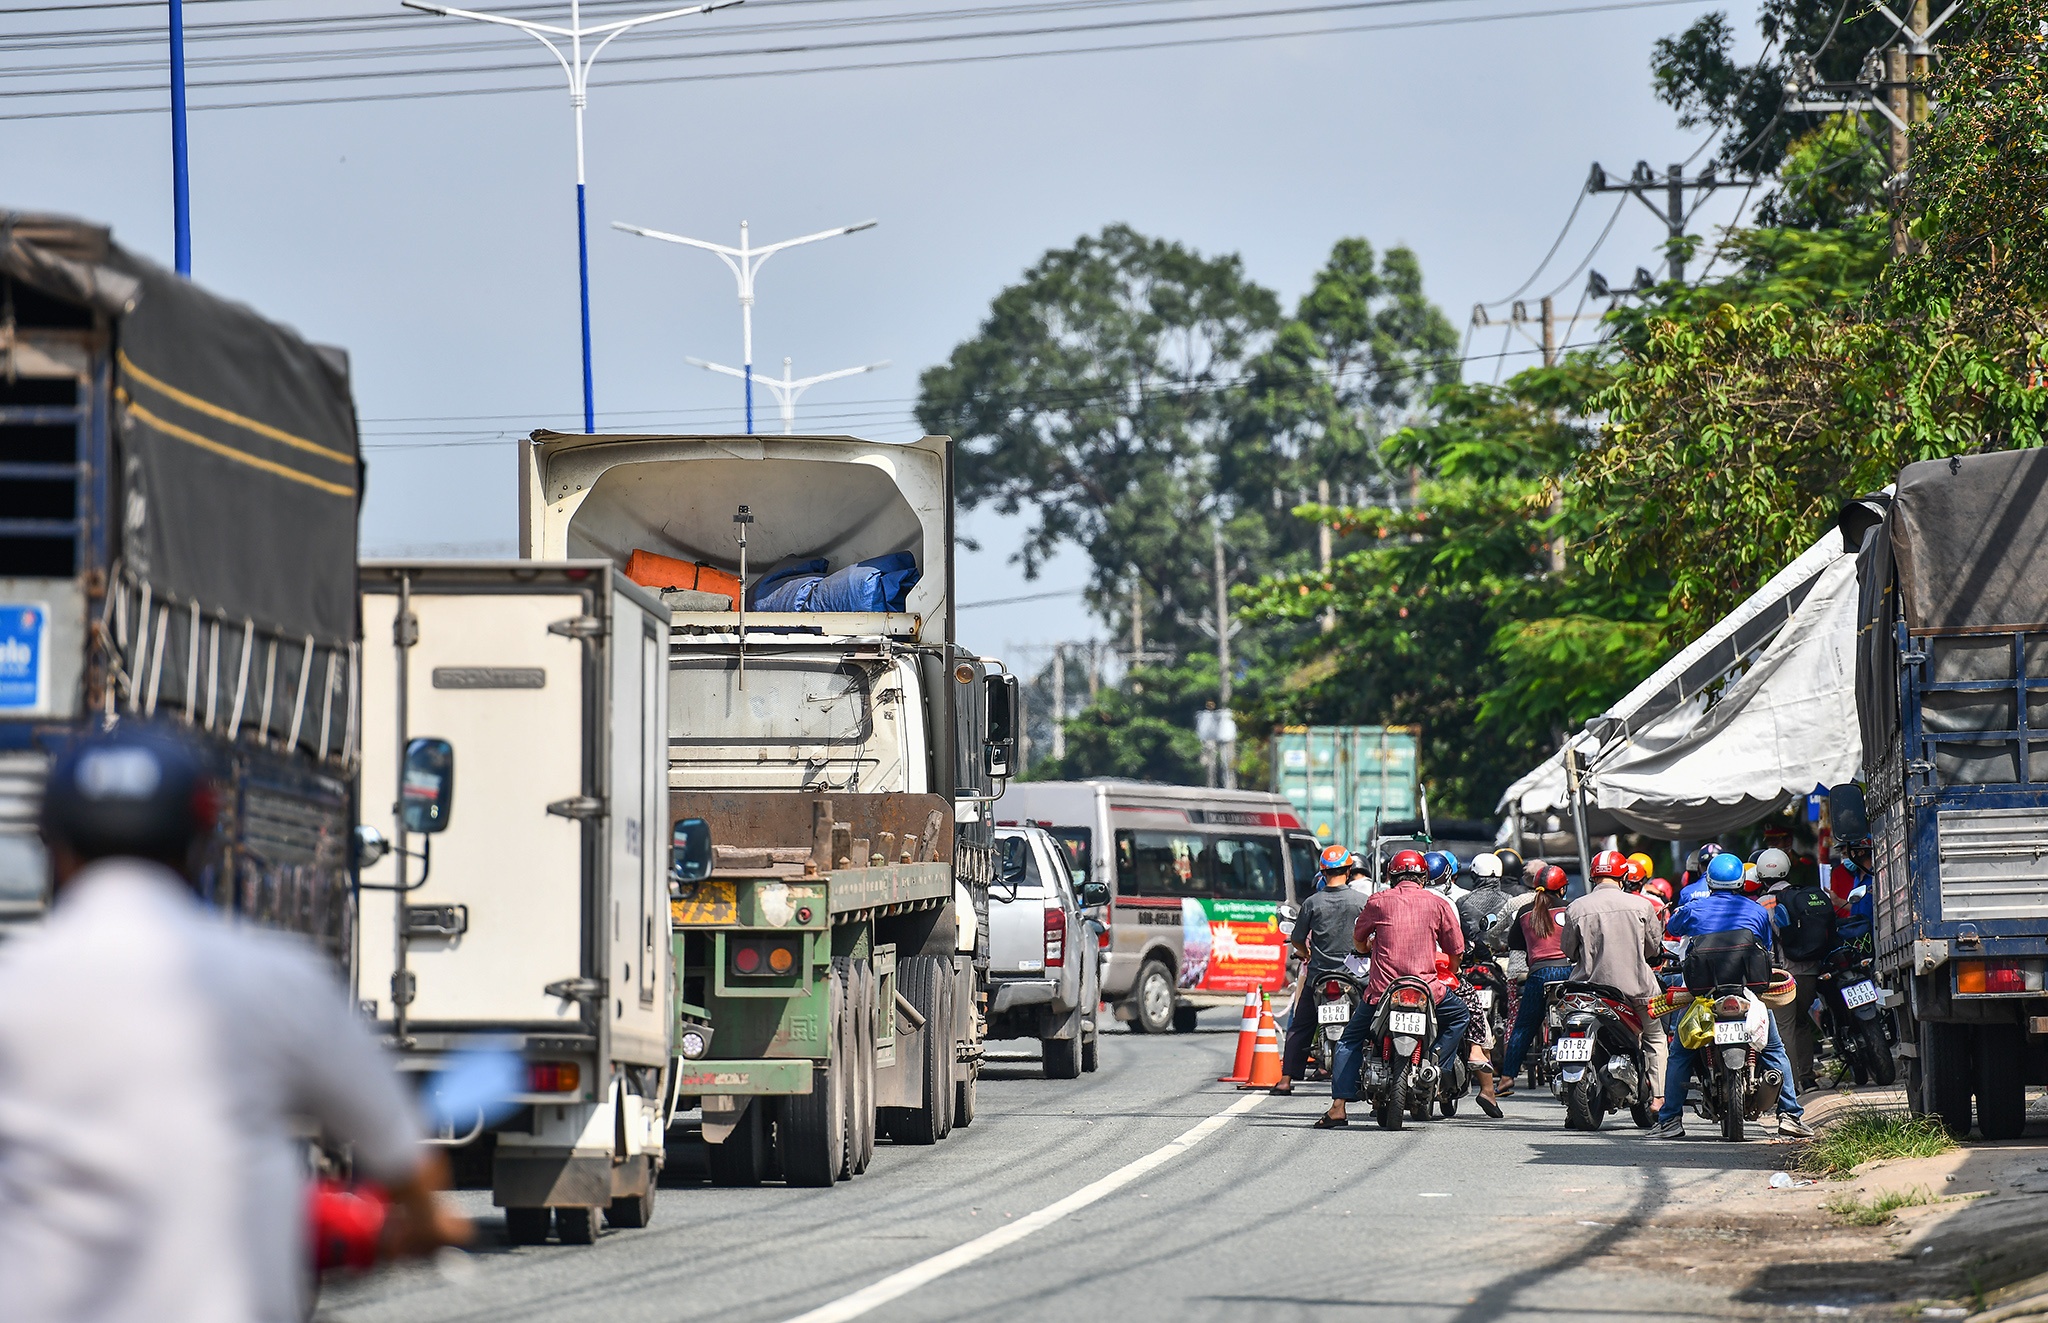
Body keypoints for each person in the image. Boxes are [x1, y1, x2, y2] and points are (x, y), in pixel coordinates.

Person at [0, 727, 470, 1322]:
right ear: (200, 843)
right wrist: (425, 1225)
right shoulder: (276, 979)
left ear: (54, 847)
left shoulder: (12, 987)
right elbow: (408, 1161)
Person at [1646, 852, 1813, 1139]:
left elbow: (1672, 929)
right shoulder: (1757, 910)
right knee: (1773, 1049)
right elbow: (1767, 948)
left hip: (1704, 997)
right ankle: (1790, 1116)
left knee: (1680, 1053)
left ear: (1709, 882)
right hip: (1748, 994)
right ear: (1742, 882)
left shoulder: (1694, 908)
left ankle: (1671, 1119)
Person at [1315, 849, 1475, 1127]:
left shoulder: (1378, 901)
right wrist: (1455, 968)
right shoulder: (1437, 903)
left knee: (1349, 1040)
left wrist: (1366, 948)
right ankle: (1437, 1065)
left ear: (1391, 876)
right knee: (1460, 1015)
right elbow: (1456, 948)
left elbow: (1359, 939)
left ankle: (1338, 1107)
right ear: (1423, 877)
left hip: (1382, 991)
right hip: (1427, 989)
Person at [1560, 849, 1669, 1110]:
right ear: (1623, 877)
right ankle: (1658, 1098)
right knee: (1655, 1038)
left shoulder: (1577, 907)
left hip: (1588, 991)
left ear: (1593, 877)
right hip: (1637, 990)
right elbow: (1654, 950)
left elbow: (1568, 951)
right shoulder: (1642, 905)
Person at [1273, 844, 1373, 1096]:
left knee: (1300, 1024)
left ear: (1322, 872)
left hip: (1319, 975)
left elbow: (1297, 938)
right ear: (1348, 871)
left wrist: (1305, 954)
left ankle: (1285, 1080)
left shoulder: (1312, 903)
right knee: (1372, 1024)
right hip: (1355, 977)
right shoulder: (1362, 902)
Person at [1763, 846, 1834, 1093]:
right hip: (1810, 971)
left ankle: (1790, 1087)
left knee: (1785, 1028)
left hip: (1783, 974)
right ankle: (1807, 1078)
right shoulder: (1802, 895)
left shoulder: (1764, 903)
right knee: (1801, 1021)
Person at [1498, 864, 1574, 1092]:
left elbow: (1516, 946)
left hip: (1539, 974)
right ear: (1562, 889)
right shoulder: (1571, 909)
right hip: (1570, 973)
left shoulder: (1525, 912)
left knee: (1524, 1026)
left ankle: (1507, 1078)